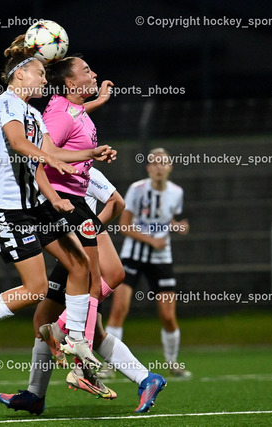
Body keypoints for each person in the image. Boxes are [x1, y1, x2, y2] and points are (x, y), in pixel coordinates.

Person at [0, 36, 114, 368]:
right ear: (20, 75)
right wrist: (50, 160)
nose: (44, 79)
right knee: (36, 288)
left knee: (80, 264)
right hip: (9, 210)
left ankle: (78, 341)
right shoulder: (7, 103)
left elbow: (46, 157)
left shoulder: (34, 115)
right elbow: (17, 142)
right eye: (40, 73)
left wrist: (81, 163)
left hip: (37, 207)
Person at [0, 167, 167, 415]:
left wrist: (90, 228)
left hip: (81, 255)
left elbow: (117, 202)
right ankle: (146, 378)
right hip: (71, 257)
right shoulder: (45, 170)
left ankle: (40, 390)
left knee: (50, 322)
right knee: (75, 328)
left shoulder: (78, 169)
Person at [105, 147, 191, 377]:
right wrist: (151, 240)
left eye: (163, 163)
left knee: (168, 315)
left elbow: (165, 217)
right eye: (154, 163)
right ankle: (108, 364)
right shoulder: (136, 189)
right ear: (148, 168)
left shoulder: (176, 192)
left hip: (162, 258)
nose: (159, 167)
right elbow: (124, 226)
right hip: (133, 255)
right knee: (119, 309)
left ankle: (172, 362)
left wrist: (177, 226)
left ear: (170, 167)